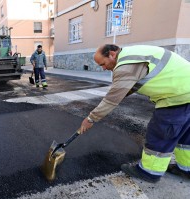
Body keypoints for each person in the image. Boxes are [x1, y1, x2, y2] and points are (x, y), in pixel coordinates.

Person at [80, 44, 190, 183]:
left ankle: (149, 172)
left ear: (112, 54)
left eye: (103, 63)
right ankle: (186, 169)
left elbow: (111, 100)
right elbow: (129, 87)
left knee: (161, 134)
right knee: (186, 136)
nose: (103, 68)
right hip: (186, 92)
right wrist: (120, 94)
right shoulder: (133, 55)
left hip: (178, 97)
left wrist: (90, 119)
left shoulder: (126, 66)